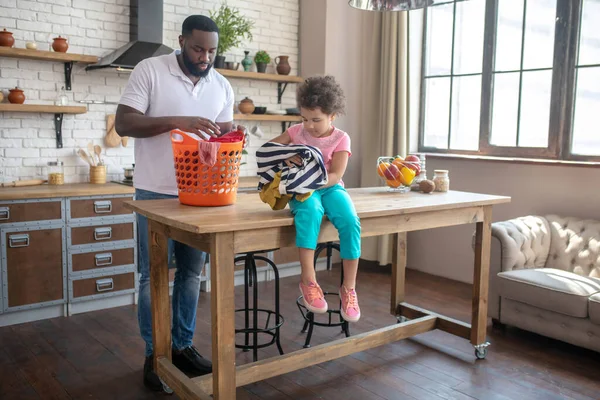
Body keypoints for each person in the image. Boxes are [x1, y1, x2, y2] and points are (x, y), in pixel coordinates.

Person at [115, 15, 242, 392]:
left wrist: (234, 134)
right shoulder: (150, 70)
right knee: (151, 275)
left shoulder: (221, 85)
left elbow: (221, 140)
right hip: (155, 193)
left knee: (190, 276)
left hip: (202, 195)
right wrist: (178, 122)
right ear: (182, 41)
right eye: (198, 48)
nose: (205, 57)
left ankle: (182, 346)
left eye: (212, 51)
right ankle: (156, 355)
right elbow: (124, 123)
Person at [269, 75, 362, 323]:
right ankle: (308, 281)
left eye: (316, 120)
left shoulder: (341, 138)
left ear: (333, 115)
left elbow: (336, 175)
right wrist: (285, 157)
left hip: (329, 187)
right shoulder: (296, 132)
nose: (308, 126)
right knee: (310, 211)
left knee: (350, 221)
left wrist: (311, 180)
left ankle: (349, 289)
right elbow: (270, 150)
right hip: (302, 190)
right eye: (304, 119)